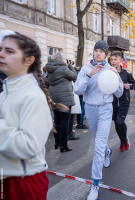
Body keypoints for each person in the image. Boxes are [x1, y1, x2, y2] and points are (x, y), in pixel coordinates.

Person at [0, 32, 69, 200]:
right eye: (0, 49)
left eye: (9, 51)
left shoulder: (32, 96)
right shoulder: (4, 93)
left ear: (29, 60)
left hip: (23, 181)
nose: (1, 54)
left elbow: (29, 146)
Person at [74, 40, 123, 200]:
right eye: (96, 50)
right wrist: (90, 75)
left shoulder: (111, 69)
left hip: (105, 109)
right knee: (98, 143)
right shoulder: (86, 69)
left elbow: (119, 94)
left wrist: (116, 78)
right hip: (90, 108)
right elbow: (77, 90)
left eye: (101, 51)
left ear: (105, 54)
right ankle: (107, 151)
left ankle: (95, 184)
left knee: (97, 146)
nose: (97, 53)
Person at [46, 52, 77, 152]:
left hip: (53, 96)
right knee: (64, 121)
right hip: (64, 97)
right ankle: (64, 145)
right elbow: (75, 76)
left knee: (57, 120)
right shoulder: (64, 68)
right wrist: (71, 66)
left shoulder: (49, 68)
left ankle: (57, 142)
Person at [110, 51, 135, 152]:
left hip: (124, 100)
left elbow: (134, 83)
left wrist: (129, 86)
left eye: (115, 59)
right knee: (116, 123)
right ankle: (122, 141)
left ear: (120, 60)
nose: (113, 61)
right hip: (113, 101)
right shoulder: (109, 72)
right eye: (111, 59)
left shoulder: (126, 73)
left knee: (120, 122)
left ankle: (125, 138)